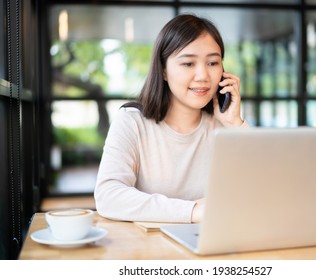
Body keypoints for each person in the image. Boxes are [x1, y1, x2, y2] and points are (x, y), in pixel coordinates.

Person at [94, 14, 249, 224]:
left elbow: (264, 192)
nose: (203, 75)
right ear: (164, 70)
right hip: (147, 249)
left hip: (213, 244)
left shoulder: (225, 125)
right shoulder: (132, 122)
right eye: (188, 64)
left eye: (213, 62)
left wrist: (235, 125)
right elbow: (108, 196)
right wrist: (192, 211)